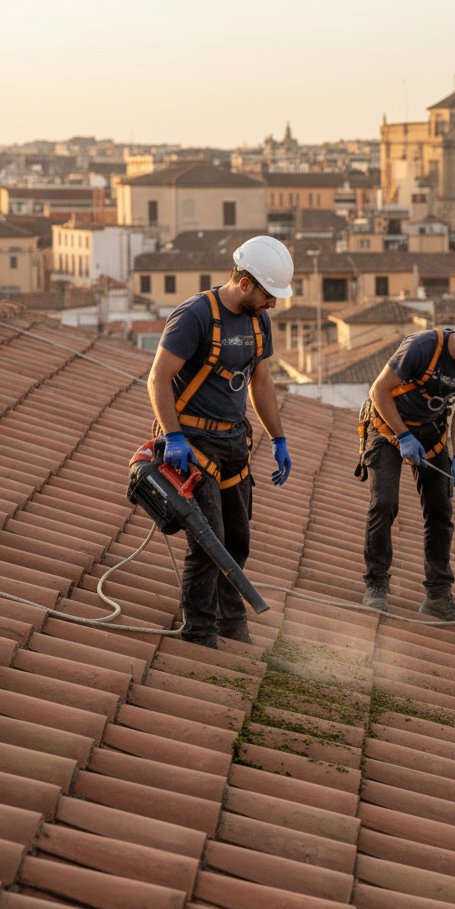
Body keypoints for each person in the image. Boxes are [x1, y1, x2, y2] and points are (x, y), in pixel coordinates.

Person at [147, 235, 294, 649]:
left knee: (237, 538)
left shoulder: (257, 321)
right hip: (193, 444)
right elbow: (157, 378)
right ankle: (199, 631)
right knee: (209, 542)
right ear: (245, 283)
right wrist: (173, 436)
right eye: (269, 294)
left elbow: (260, 383)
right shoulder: (195, 316)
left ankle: (233, 624)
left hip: (233, 444)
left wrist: (278, 438)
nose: (274, 304)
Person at [355, 311, 455, 626]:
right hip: (387, 428)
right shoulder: (423, 346)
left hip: (431, 435)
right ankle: (376, 586)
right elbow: (379, 391)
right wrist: (403, 436)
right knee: (384, 503)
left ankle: (438, 596)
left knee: (441, 512)